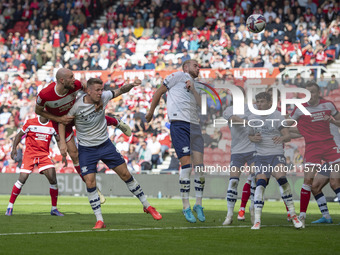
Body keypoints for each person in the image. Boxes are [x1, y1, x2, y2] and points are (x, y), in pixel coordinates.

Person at [59, 77, 162, 229]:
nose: (101, 93)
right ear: (88, 91)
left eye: (102, 90)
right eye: (98, 90)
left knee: (126, 175)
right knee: (90, 182)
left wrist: (131, 85)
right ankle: (99, 219)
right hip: (87, 149)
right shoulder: (77, 106)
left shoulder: (104, 96)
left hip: (105, 145)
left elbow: (120, 90)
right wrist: (62, 142)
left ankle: (147, 205)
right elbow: (62, 122)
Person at [35, 68, 131, 204]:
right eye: (71, 77)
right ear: (62, 80)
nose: (74, 79)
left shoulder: (76, 85)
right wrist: (57, 119)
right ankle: (93, 187)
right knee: (74, 155)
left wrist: (98, 101)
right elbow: (38, 110)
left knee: (91, 115)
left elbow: (89, 90)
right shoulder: (45, 94)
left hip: (76, 114)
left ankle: (116, 122)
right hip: (61, 122)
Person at [146, 60, 205, 223]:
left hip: (195, 125)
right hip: (179, 124)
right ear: (186, 67)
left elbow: (202, 105)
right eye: (195, 65)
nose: (198, 68)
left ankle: (198, 204)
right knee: (187, 166)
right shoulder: (178, 76)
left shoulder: (197, 84)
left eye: (199, 66)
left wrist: (193, 89)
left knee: (200, 167)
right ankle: (186, 206)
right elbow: (159, 92)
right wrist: (151, 111)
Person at [288, 82, 340, 226]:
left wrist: (334, 122)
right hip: (316, 148)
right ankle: (325, 216)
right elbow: (294, 128)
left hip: (334, 148)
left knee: (336, 182)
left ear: (318, 93)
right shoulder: (301, 111)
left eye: (314, 92)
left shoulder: (328, 107)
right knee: (315, 186)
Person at [248, 92, 302, 230]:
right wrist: (254, 138)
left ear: (269, 103)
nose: (259, 104)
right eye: (257, 101)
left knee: (281, 178)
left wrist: (282, 138)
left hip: (276, 154)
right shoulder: (252, 117)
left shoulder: (277, 116)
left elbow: (288, 136)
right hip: (260, 156)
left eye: (261, 101)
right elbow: (250, 136)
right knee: (260, 183)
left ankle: (293, 215)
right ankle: (258, 221)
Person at [5, 116, 64, 216]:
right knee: (22, 179)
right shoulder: (30, 122)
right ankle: (10, 207)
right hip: (30, 154)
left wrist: (63, 153)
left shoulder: (53, 125)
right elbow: (19, 135)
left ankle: (54, 209)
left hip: (44, 155)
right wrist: (14, 148)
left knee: (53, 179)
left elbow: (58, 139)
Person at [222, 86, 256, 225]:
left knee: (254, 179)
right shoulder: (228, 110)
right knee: (234, 181)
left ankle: (253, 210)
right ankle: (229, 214)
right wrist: (247, 122)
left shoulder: (252, 108)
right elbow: (233, 119)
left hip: (253, 149)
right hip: (237, 151)